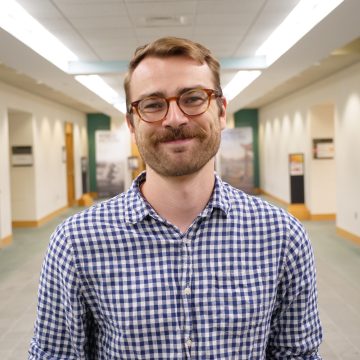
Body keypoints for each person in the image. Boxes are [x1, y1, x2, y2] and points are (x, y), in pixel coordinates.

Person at [29, 37, 322, 359]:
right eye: (153, 104)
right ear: (132, 122)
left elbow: (298, 354)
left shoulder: (281, 234)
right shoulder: (76, 241)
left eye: (193, 98)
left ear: (221, 111)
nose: (174, 119)